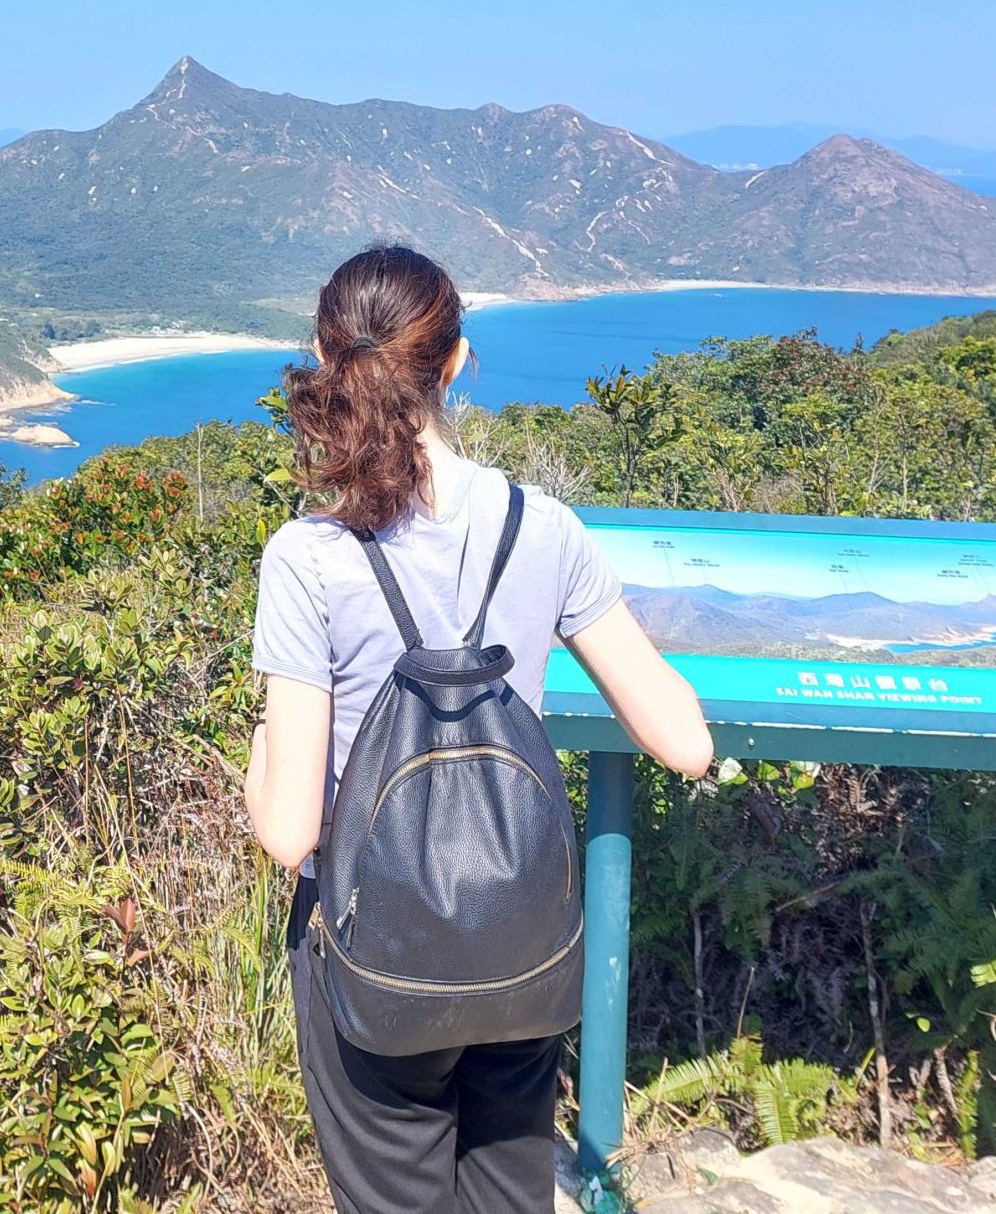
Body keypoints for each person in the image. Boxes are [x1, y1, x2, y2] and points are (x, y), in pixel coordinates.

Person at [245, 244, 713, 1214]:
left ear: (331, 360)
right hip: (519, 938)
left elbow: (290, 832)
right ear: (455, 362)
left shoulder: (308, 558)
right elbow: (683, 742)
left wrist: (260, 750)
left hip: (373, 954)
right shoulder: (543, 528)